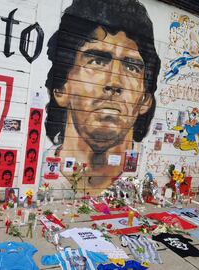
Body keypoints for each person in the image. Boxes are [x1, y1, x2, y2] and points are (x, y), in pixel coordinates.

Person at [44, 0, 160, 194]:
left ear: (145, 99)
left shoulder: (146, 176)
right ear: (61, 88)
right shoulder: (42, 177)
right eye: (97, 61)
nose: (114, 82)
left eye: (131, 67)